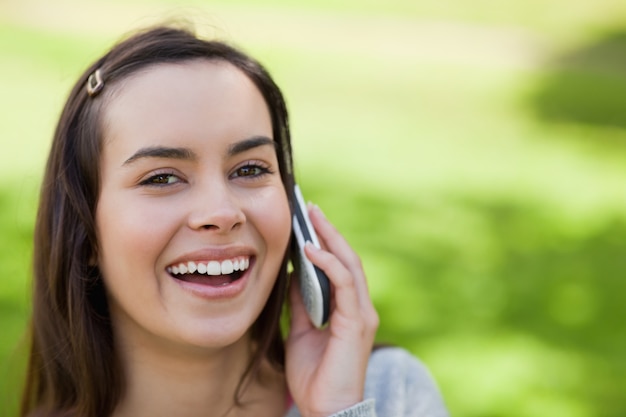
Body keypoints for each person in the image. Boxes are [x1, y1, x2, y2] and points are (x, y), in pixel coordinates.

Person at [20, 24, 449, 417]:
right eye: (162, 177)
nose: (222, 214)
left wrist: (337, 411)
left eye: (249, 169)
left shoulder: (391, 393)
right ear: (86, 232)